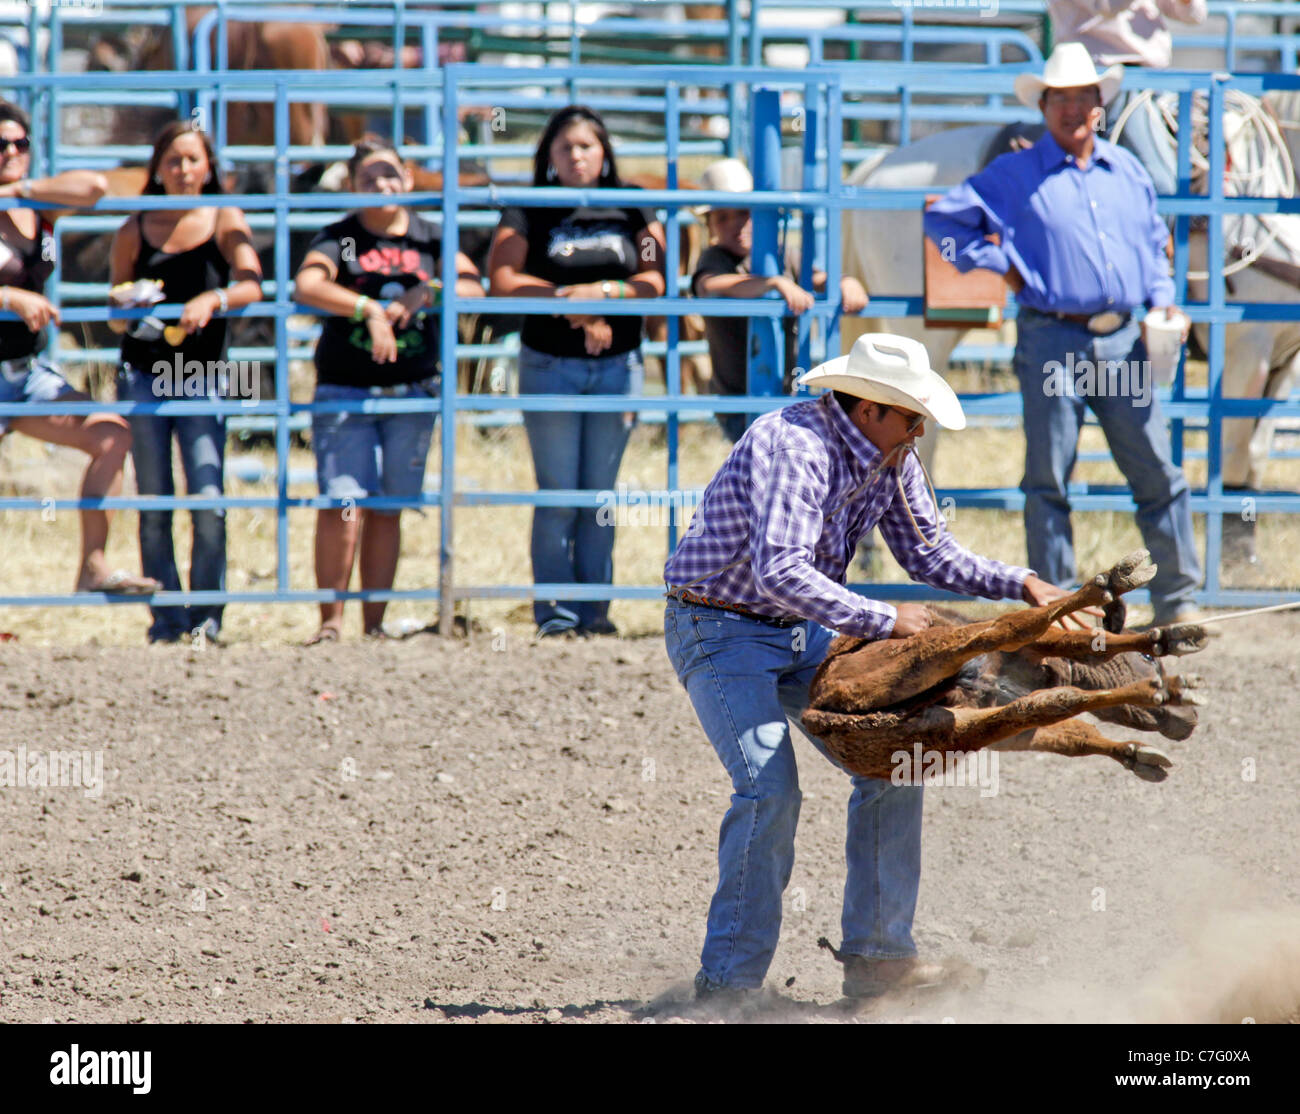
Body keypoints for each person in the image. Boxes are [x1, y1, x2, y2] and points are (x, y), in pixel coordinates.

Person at [663, 333, 1085, 1002]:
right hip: (720, 628)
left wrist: (1023, 582)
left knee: (900, 758)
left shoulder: (891, 455)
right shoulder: (792, 448)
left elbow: (929, 554)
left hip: (802, 632)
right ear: (870, 411)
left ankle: (880, 959)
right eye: (912, 415)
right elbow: (781, 571)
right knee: (768, 791)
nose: (920, 429)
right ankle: (727, 988)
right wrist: (885, 621)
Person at [924, 43, 1202, 627]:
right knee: (1049, 477)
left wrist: (1164, 298)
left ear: (1099, 105)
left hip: (1125, 339)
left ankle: (1177, 601)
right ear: (1045, 106)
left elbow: (1154, 245)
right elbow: (943, 221)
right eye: (1062, 98)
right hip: (1053, 338)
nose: (1074, 108)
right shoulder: (1015, 173)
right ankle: (1061, 614)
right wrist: (992, 262)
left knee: (1156, 470)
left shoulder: (1126, 171)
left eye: (1084, 97)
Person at [487, 105, 667, 638]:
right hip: (550, 365)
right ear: (549, 157)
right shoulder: (529, 207)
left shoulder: (634, 207)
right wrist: (568, 298)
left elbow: (656, 277)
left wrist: (604, 295)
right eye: (565, 148)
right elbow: (502, 276)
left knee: (601, 497)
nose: (576, 156)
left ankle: (595, 610)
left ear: (604, 151)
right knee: (559, 494)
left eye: (586, 146)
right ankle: (557, 614)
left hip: (618, 367)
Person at [294, 136, 482, 645]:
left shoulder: (431, 236)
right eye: (368, 178)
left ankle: (372, 624)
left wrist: (428, 290)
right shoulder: (341, 236)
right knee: (344, 504)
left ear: (408, 178)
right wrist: (368, 309)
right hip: (346, 389)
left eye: (389, 175)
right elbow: (307, 285)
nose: (381, 185)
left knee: (388, 508)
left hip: (413, 390)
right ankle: (330, 623)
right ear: (352, 185)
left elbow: (473, 286)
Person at [109, 120, 263, 644]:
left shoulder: (224, 215)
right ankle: (167, 620)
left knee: (208, 497)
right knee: (154, 503)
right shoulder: (134, 226)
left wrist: (211, 300)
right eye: (173, 160)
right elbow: (112, 315)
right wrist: (129, 306)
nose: (183, 170)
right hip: (143, 374)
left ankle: (207, 619)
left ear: (209, 167)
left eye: (193, 159)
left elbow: (251, 284)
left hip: (201, 375)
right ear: (157, 168)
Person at [0, 98, 161, 597]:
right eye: (0, 144)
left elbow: (93, 187)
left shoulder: (37, 205)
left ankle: (92, 566)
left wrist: (16, 191)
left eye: (19, 143)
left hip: (25, 375)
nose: (10, 151)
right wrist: (7, 295)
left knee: (111, 435)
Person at [691, 157, 868, 443]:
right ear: (709, 225)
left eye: (743, 213)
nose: (735, 225)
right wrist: (773, 283)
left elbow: (819, 278)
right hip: (738, 398)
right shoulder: (714, 259)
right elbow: (709, 284)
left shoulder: (781, 255)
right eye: (722, 217)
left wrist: (846, 282)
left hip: (790, 392)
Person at [1049, 1, 1208, 196]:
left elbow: (1193, 14)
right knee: (1161, 185)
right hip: (1099, 80)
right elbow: (1106, 5)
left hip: (1151, 82)